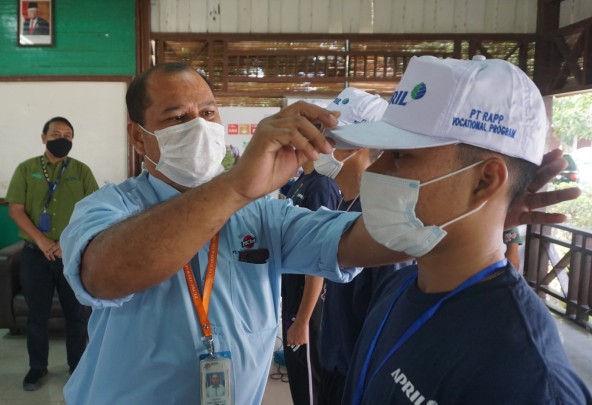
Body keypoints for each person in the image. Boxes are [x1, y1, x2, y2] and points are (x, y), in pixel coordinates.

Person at [59, 62, 579, 405]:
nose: (200, 125)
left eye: (208, 112)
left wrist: (472, 213)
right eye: (177, 117)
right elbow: (107, 275)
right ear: (139, 135)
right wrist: (237, 187)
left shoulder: (264, 214)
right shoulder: (109, 206)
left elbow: (359, 238)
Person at [325, 55, 592, 404]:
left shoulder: (527, 378)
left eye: (403, 155)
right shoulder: (399, 286)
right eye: (383, 153)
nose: (376, 170)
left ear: (484, 181)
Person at [311, 88, 411, 405]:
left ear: (365, 146)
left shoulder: (380, 220)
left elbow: (386, 322)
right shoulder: (346, 204)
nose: (322, 147)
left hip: (359, 376)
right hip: (334, 361)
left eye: (334, 141)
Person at [5, 116, 98, 391]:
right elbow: (16, 209)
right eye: (56, 133)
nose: (62, 139)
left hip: (72, 255)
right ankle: (37, 368)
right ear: (43, 137)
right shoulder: (26, 169)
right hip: (36, 254)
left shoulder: (81, 170)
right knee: (37, 315)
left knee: (77, 315)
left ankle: (77, 366)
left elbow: (92, 210)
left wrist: (68, 242)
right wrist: (42, 241)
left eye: (68, 135)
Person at [281, 110, 347, 404]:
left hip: (307, 307)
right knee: (299, 383)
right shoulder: (302, 181)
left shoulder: (322, 186)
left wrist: (303, 320)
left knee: (310, 389)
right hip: (293, 295)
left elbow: (318, 258)